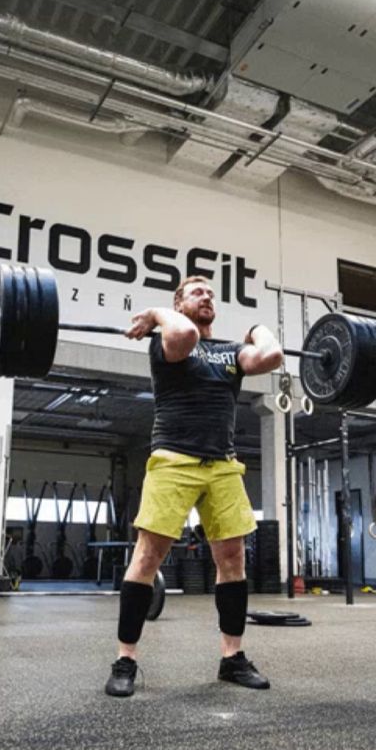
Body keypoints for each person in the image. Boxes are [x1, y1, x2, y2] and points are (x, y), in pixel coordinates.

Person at [104, 275, 283, 697]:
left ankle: (232, 659)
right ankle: (125, 660)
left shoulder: (229, 352)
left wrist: (256, 329)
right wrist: (154, 315)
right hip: (173, 459)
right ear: (178, 303)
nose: (207, 296)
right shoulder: (166, 339)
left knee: (233, 559)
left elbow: (272, 356)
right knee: (148, 556)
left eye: (211, 293)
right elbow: (182, 332)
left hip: (222, 463)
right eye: (197, 292)